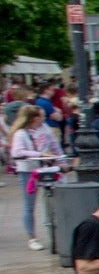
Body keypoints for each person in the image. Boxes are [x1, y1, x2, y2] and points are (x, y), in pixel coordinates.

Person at [9, 103, 61, 249]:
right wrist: (40, 154)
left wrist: (61, 159)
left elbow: (54, 145)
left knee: (56, 196)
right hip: (28, 170)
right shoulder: (20, 134)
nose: (44, 119)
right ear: (34, 118)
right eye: (42, 116)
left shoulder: (45, 129)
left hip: (46, 168)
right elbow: (17, 152)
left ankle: (56, 226)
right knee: (29, 204)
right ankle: (32, 238)